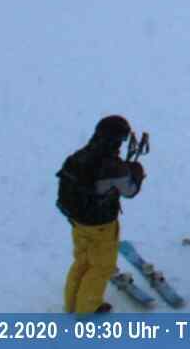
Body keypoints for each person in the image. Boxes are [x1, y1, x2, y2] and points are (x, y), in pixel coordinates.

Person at [56, 114, 146, 315]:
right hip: (100, 225)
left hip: (77, 221)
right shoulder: (111, 166)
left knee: (82, 261)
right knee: (102, 266)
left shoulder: (80, 156)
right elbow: (129, 190)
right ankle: (87, 309)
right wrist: (137, 173)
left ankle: (71, 305)